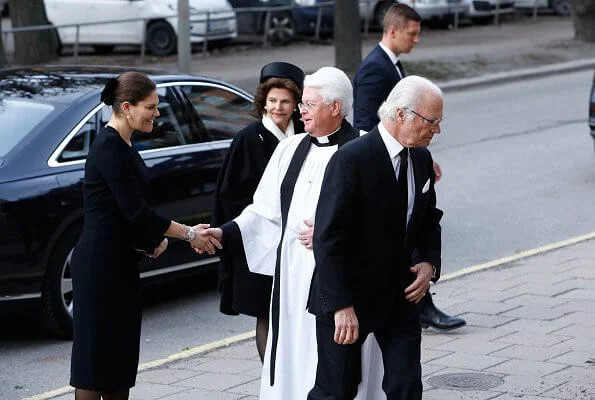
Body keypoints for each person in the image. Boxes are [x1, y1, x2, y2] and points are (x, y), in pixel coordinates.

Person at [203, 67, 384, 399]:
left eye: (309, 104)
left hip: (341, 282)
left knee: (341, 365)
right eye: (302, 103)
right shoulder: (289, 149)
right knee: (294, 353)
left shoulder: (365, 150)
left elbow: (383, 220)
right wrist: (225, 232)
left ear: (336, 107)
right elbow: (265, 211)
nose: (301, 110)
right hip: (292, 280)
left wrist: (337, 230)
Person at [69, 71, 220, 400]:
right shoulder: (108, 148)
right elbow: (136, 212)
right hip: (99, 269)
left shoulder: (122, 144)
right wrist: (190, 233)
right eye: (151, 107)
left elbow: (124, 214)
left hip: (118, 263)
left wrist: (149, 241)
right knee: (95, 366)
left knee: (119, 363)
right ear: (127, 107)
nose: (157, 113)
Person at [307, 76, 445, 400]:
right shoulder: (351, 159)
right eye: (431, 121)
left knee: (406, 386)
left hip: (400, 295)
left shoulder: (421, 159)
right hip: (348, 294)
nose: (436, 130)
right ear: (401, 115)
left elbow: (428, 220)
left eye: (439, 122)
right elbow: (328, 238)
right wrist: (341, 306)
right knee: (336, 391)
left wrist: (428, 262)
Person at [353, 2, 464, 331]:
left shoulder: (392, 65)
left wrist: (422, 157)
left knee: (415, 224)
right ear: (392, 31)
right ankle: (421, 305)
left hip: (405, 158)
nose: (416, 40)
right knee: (404, 230)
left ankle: (420, 302)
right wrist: (391, 160)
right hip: (384, 166)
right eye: (412, 34)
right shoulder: (375, 68)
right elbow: (362, 123)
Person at [213, 61, 305, 363]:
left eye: (285, 101)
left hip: (297, 236)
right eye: (273, 101)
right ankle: (271, 377)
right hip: (259, 239)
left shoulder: (304, 135)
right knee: (265, 311)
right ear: (263, 103)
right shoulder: (248, 139)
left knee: (296, 311)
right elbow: (228, 195)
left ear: (295, 105)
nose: (278, 107)